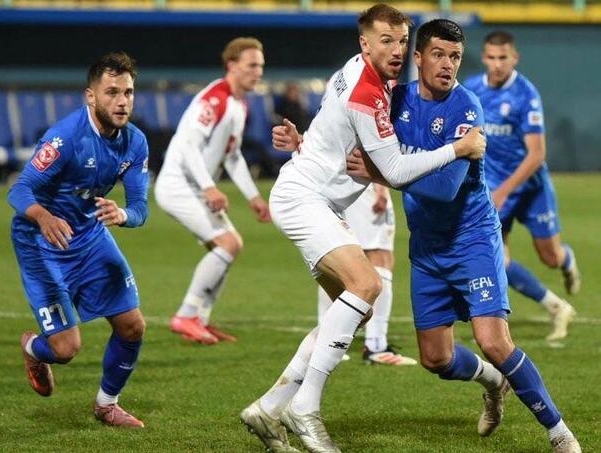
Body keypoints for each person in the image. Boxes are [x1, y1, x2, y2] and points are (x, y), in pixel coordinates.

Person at [240, 5, 486, 452]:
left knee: (356, 307)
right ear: (364, 44)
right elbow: (394, 170)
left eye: (402, 41)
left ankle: (270, 407)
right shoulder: (368, 92)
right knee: (367, 283)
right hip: (304, 199)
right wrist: (458, 148)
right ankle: (305, 408)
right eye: (385, 41)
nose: (396, 50)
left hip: (314, 196)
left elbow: (335, 126)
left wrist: (304, 141)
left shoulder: (360, 71)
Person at [348, 19, 581, 453]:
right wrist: (304, 140)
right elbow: (351, 136)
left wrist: (382, 174)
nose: (447, 64)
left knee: (494, 341)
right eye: (438, 54)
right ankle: (493, 383)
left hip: (471, 239)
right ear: (418, 58)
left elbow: (444, 188)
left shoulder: (465, 107)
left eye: (455, 56)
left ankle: (559, 432)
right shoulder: (396, 100)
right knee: (435, 358)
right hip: (427, 246)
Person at [8, 52, 148, 428]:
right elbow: (19, 189)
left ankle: (107, 405)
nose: (122, 101)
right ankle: (32, 348)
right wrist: (43, 216)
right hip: (41, 243)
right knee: (66, 349)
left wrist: (123, 215)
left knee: (132, 325)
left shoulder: (135, 143)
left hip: (89, 236)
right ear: (91, 96)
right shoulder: (66, 138)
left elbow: (140, 207)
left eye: (128, 92)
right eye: (112, 92)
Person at [463, 31, 579, 342]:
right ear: (484, 57)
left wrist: (504, 191)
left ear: (514, 58)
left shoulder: (525, 95)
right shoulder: (472, 90)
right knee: (497, 259)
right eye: (491, 57)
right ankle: (556, 307)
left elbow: (537, 154)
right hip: (492, 189)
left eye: (503, 58)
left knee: (550, 257)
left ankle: (567, 260)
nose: (497, 64)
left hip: (530, 187)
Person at [154, 37, 271, 345]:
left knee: (230, 246)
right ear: (232, 65)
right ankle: (186, 315)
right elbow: (189, 144)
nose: (258, 72)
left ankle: (200, 320)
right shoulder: (215, 99)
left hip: (195, 186)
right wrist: (209, 187)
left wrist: (253, 197)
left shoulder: (239, 104)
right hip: (179, 184)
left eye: (261, 66)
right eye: (252, 65)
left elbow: (232, 156)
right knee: (228, 244)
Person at [317, 183, 417, 366]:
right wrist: (380, 188)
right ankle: (376, 346)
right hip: (363, 183)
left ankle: (324, 342)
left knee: (336, 259)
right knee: (380, 256)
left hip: (332, 183)